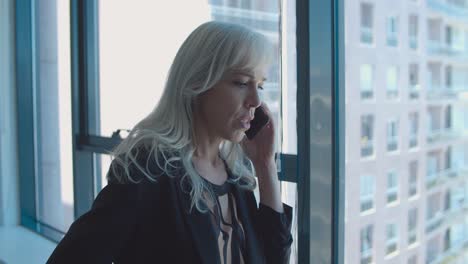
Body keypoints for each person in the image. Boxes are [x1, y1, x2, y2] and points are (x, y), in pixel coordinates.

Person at [47, 21, 293, 264]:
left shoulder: (237, 173)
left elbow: (273, 259)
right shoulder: (147, 170)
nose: (256, 100)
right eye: (241, 83)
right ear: (198, 83)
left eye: (260, 85)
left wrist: (265, 165)